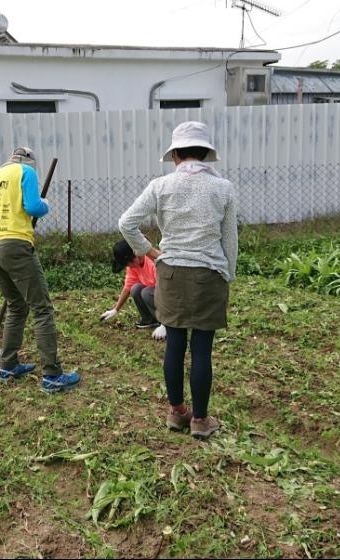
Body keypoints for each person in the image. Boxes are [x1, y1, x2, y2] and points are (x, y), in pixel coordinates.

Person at [118, 121, 238, 440]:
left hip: (170, 272)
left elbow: (126, 223)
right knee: (201, 349)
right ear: (206, 154)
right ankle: (200, 419)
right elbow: (230, 241)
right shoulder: (223, 188)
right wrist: (229, 274)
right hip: (208, 273)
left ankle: (176, 413)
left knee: (174, 344)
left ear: (175, 156)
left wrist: (152, 252)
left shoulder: (161, 186)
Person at [0, 146, 80, 393]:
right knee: (42, 307)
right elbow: (33, 207)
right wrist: (44, 203)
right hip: (14, 243)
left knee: (16, 304)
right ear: (28, 161)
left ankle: (8, 365)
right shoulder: (25, 171)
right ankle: (52, 375)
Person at [100, 239, 166, 340]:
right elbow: (127, 288)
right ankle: (149, 320)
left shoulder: (153, 262)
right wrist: (115, 309)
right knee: (135, 289)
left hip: (170, 299)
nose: (128, 267)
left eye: (127, 264)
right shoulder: (133, 267)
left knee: (146, 292)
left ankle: (166, 323)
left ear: (134, 258)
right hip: (157, 294)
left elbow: (167, 292)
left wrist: (166, 323)